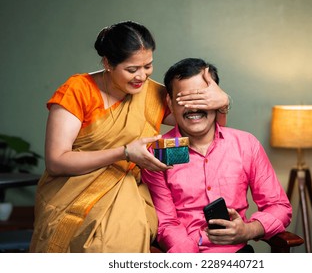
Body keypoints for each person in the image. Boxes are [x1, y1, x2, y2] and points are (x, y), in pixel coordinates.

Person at [30, 21, 230, 253]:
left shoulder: (153, 93)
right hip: (73, 190)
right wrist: (124, 152)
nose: (142, 76)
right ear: (107, 63)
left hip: (129, 192)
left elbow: (204, 126)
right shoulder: (78, 90)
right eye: (132, 69)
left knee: (123, 232)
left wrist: (222, 103)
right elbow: (56, 162)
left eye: (148, 66)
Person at [142, 58, 292, 253]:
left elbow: (279, 206)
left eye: (201, 98)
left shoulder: (246, 144)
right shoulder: (157, 152)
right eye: (184, 99)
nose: (194, 108)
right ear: (170, 102)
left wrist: (248, 230)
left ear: (217, 99)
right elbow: (166, 223)